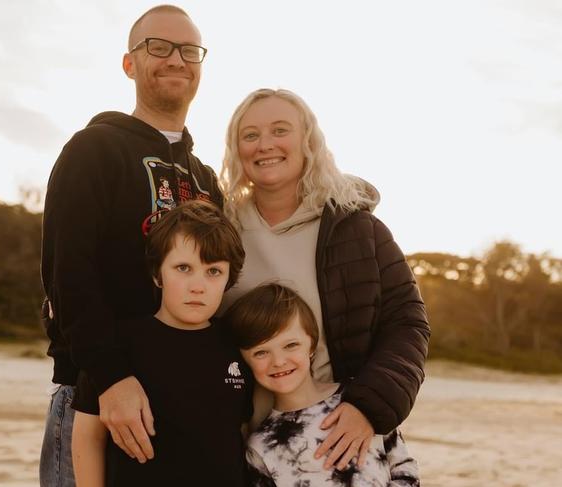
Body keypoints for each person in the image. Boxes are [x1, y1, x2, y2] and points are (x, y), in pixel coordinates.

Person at [39, 5, 222, 486]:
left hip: (185, 397)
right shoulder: (94, 150)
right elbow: (68, 272)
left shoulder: (206, 180)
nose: (176, 60)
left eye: (189, 50)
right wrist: (111, 378)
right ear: (129, 64)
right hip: (97, 396)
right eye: (157, 47)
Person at [220, 88, 430, 471]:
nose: (265, 144)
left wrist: (367, 407)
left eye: (280, 130)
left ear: (308, 142)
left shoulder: (357, 228)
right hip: (239, 446)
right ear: (236, 149)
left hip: (330, 437)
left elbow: (407, 323)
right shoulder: (221, 232)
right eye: (250, 135)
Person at [70, 200, 251, 487]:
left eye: (213, 271)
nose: (198, 285)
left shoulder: (239, 345)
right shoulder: (117, 346)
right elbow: (87, 437)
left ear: (229, 279)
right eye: (183, 268)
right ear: (157, 274)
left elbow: (245, 434)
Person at [226, 283, 420, 486]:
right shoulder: (260, 445)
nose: (279, 361)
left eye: (291, 345)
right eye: (261, 352)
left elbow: (405, 470)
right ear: (245, 361)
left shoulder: (361, 401)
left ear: (311, 344)